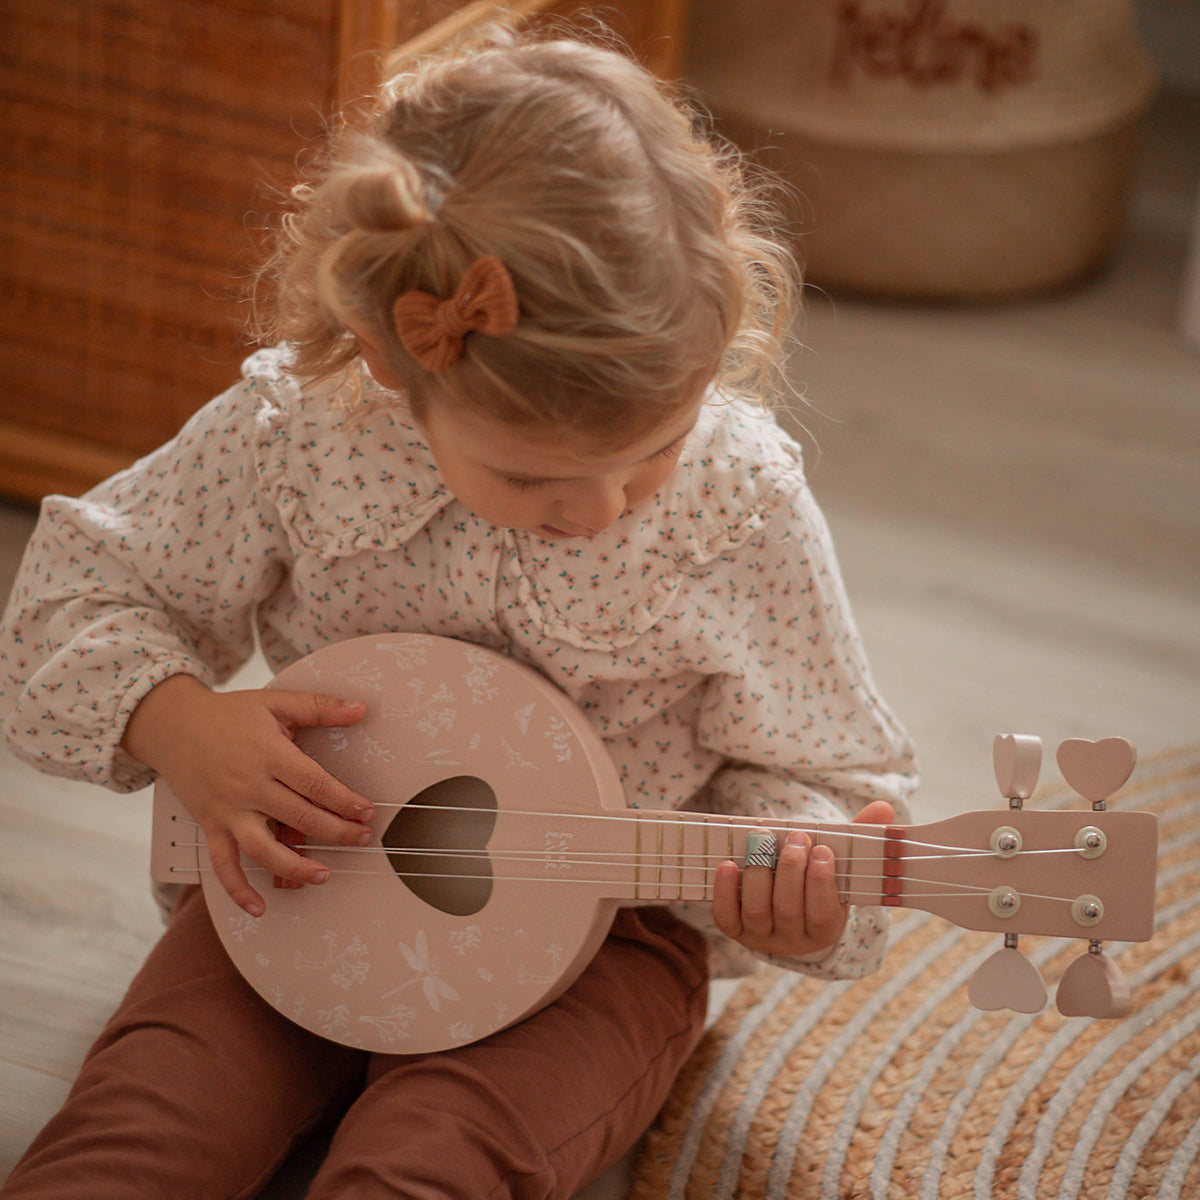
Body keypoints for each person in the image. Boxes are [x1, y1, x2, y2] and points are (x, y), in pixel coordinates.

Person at [0, 25, 917, 1200]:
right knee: (137, 1131)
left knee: (429, 1165)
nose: (597, 509)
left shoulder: (736, 505)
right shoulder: (304, 436)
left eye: (652, 454)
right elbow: (78, 591)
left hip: (609, 935)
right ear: (394, 365)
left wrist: (790, 889)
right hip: (305, 881)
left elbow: (826, 764)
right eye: (532, 479)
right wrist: (179, 725)